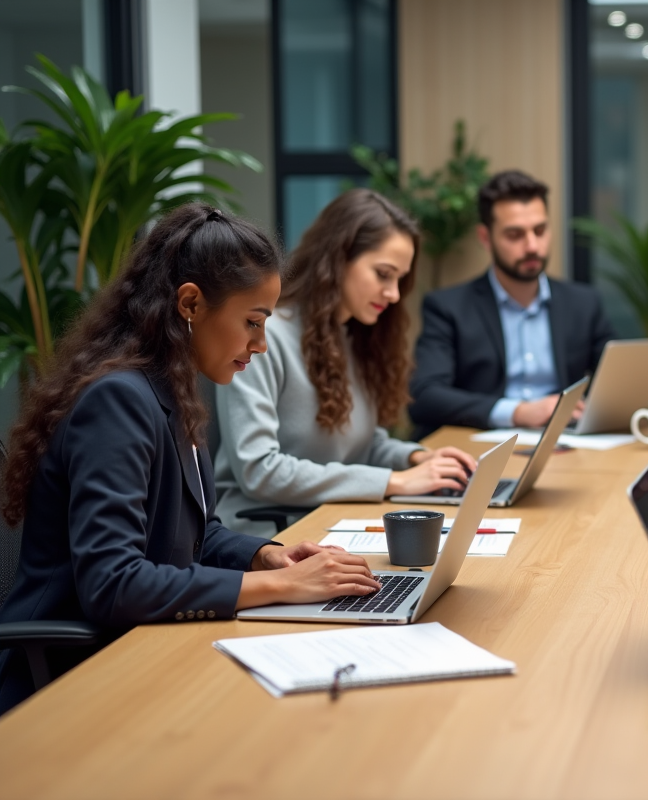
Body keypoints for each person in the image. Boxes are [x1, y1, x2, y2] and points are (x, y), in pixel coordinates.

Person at [0, 205, 383, 715]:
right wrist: (276, 586)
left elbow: (197, 533)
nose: (261, 344)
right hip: (73, 682)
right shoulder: (117, 401)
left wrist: (263, 556)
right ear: (190, 303)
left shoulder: (170, 391)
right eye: (252, 321)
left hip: (142, 652)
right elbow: (113, 583)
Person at [214, 189, 475, 538]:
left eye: (400, 279)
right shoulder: (264, 338)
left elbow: (360, 444)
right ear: (338, 259)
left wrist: (415, 459)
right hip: (270, 536)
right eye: (383, 274)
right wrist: (395, 481)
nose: (394, 294)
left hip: (332, 522)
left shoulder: (351, 337)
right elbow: (260, 470)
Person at [407, 170, 615, 438]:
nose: (532, 246)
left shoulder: (583, 303)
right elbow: (424, 395)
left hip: (565, 442)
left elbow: (617, 378)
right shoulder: (448, 307)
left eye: (540, 231)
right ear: (485, 238)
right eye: (515, 235)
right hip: (482, 447)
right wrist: (517, 412)